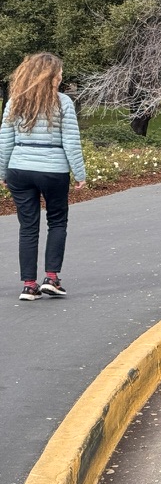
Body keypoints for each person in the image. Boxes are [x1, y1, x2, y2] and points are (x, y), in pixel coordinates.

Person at [0, 53, 86, 301]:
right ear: (50, 76)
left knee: (28, 227)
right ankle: (51, 278)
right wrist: (79, 174)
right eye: (59, 73)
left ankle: (28, 285)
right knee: (57, 221)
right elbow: (71, 142)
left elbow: (5, 141)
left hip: (20, 169)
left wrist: (3, 171)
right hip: (53, 170)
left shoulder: (15, 102)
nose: (61, 77)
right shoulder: (63, 103)